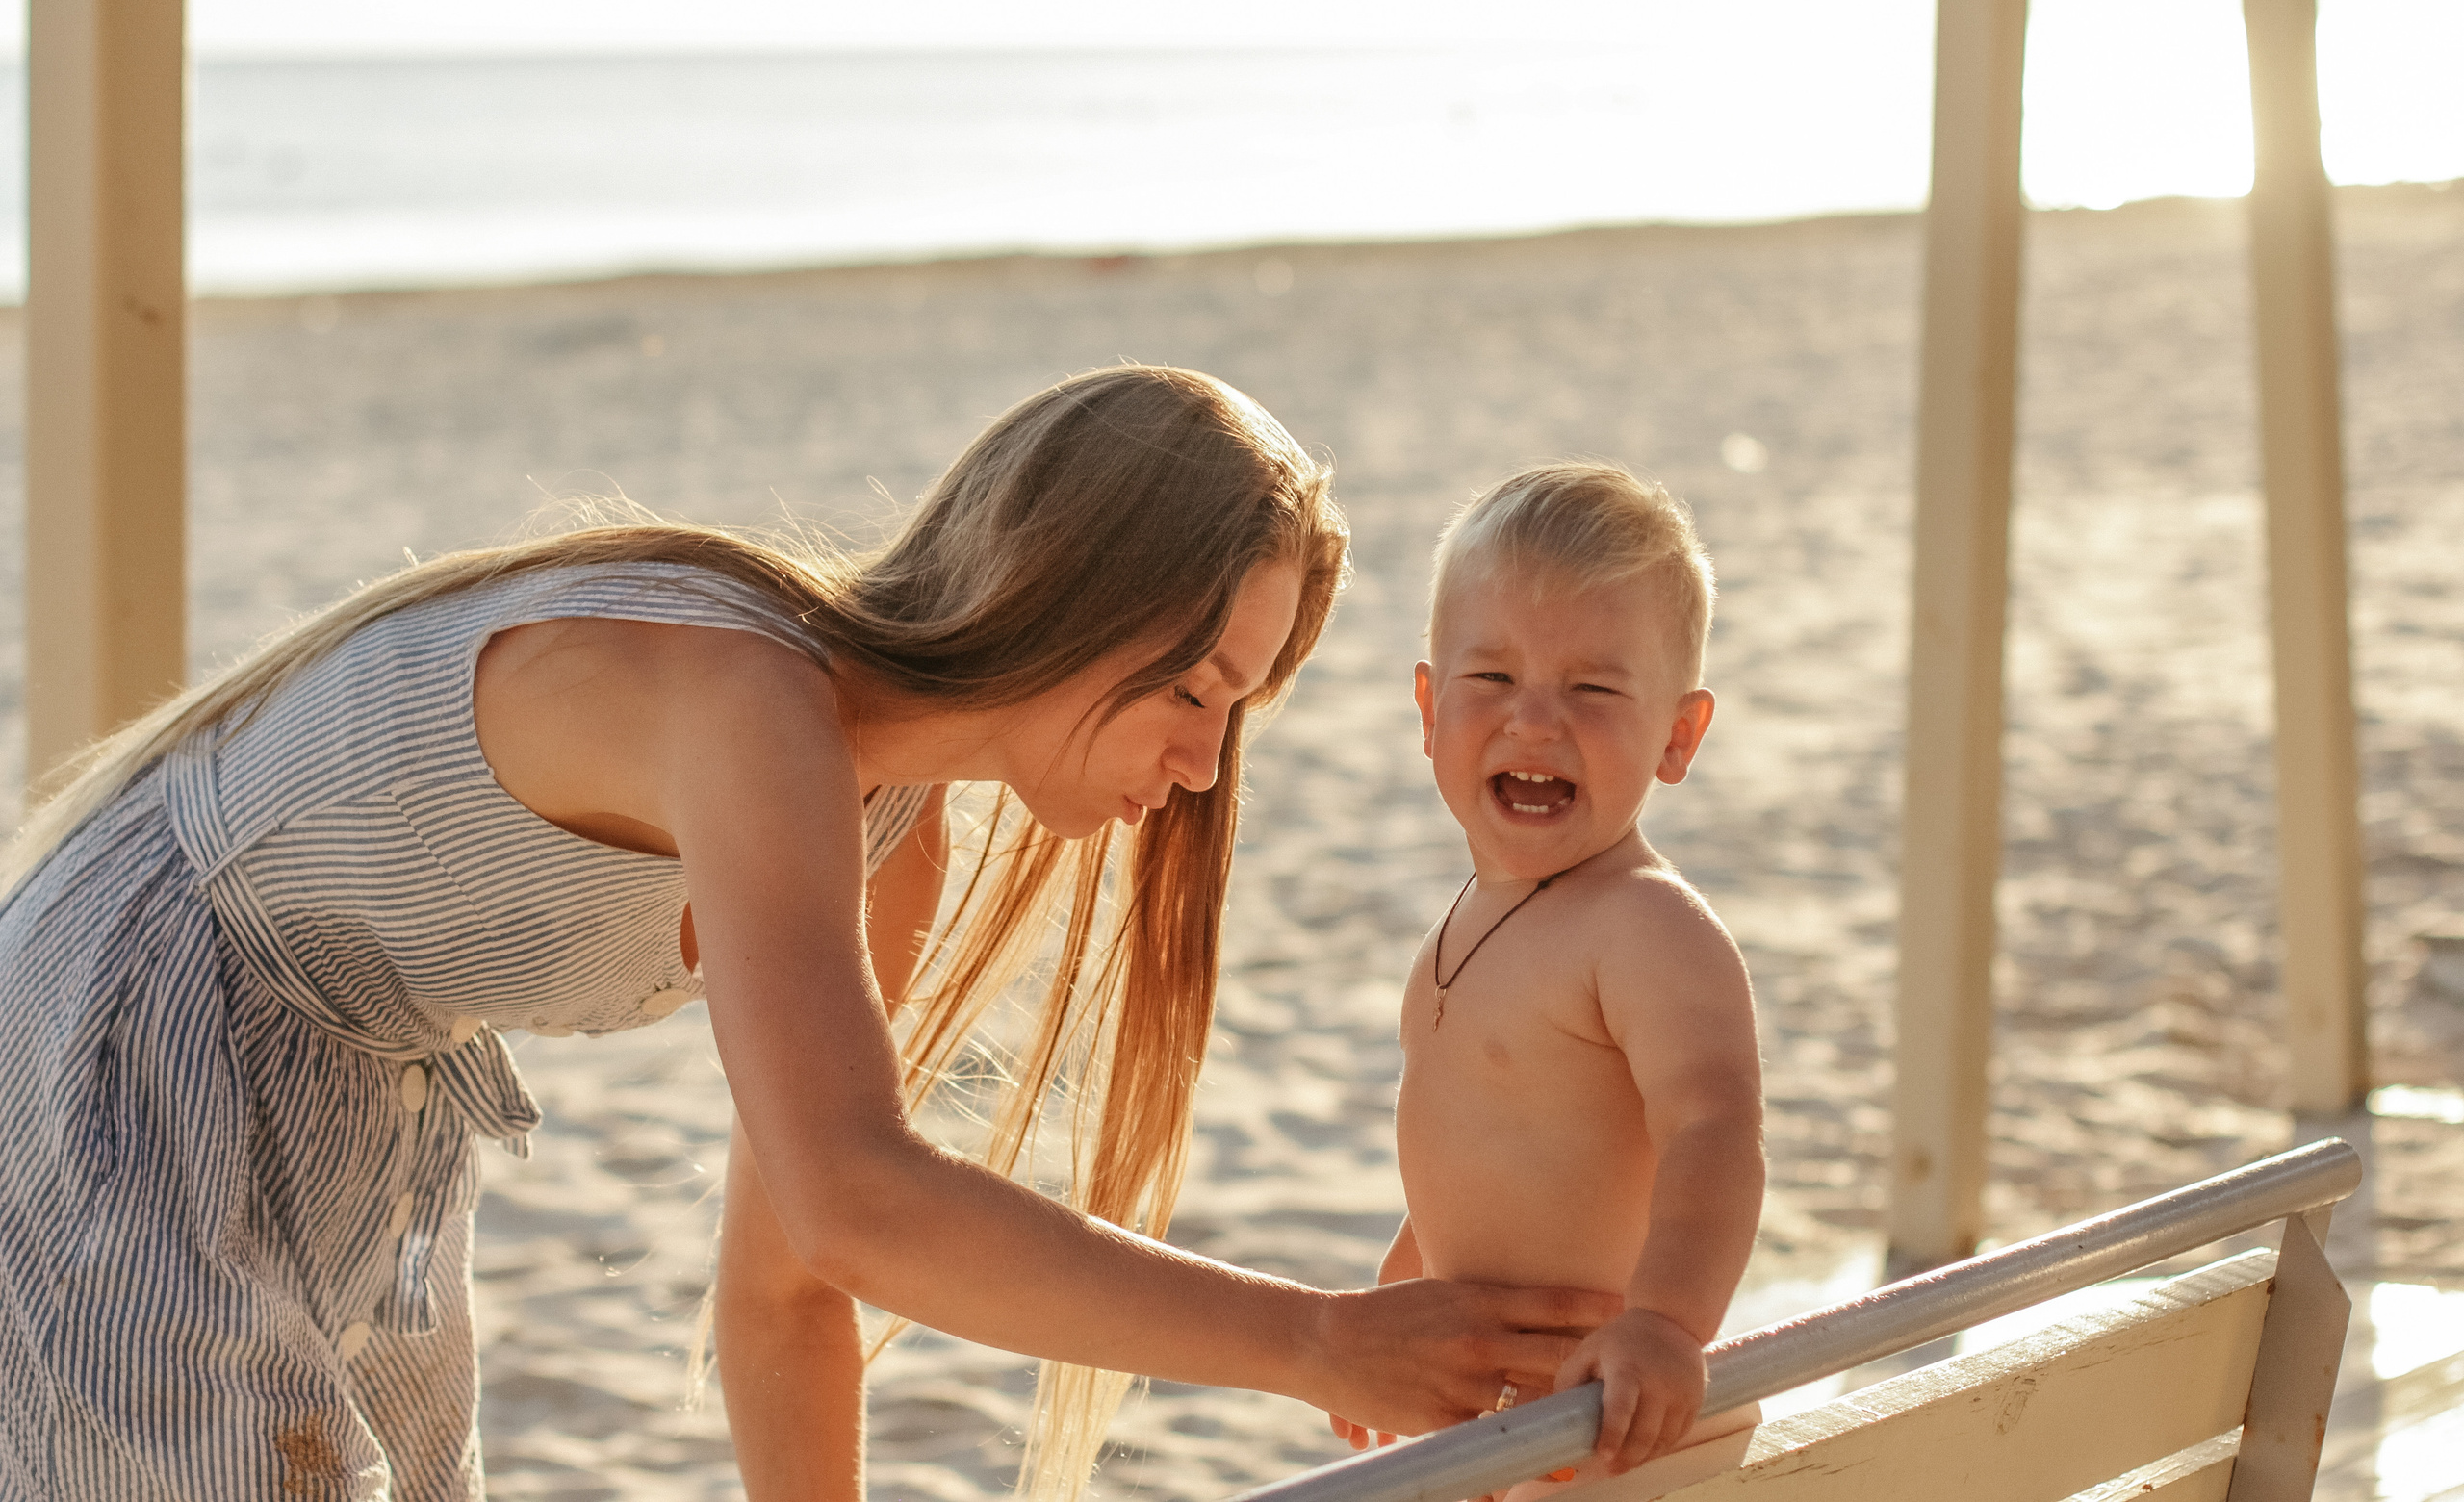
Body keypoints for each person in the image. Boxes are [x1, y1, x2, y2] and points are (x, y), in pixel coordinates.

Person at [0, 367, 1620, 1502]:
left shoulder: (885, 820)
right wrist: (1321, 1338)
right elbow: (863, 1206)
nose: (1202, 763)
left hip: (355, 1085)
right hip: (140, 1032)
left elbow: (786, 1286)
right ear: (1066, 589)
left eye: (1236, 709)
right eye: (1192, 687)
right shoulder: (747, 701)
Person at [1331, 463, 1766, 1501]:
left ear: (1677, 734)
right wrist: (1394, 1294)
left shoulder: (1643, 925)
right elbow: (1472, 1157)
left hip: (1608, 1417)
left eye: (1592, 688)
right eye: (1491, 681)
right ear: (1429, 708)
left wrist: (1664, 1326)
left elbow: (1715, 1129)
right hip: (1492, 1416)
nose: (1534, 721)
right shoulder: (1466, 921)